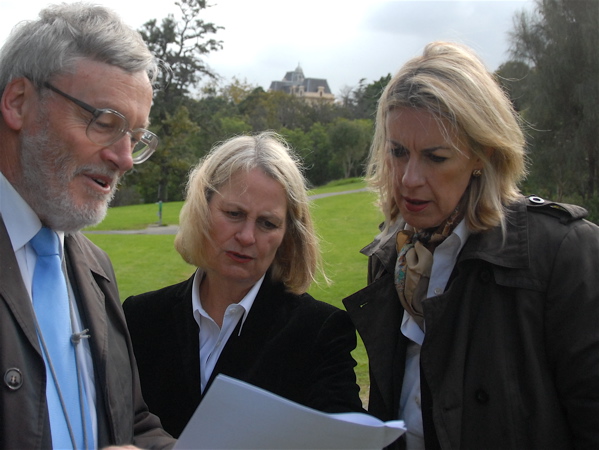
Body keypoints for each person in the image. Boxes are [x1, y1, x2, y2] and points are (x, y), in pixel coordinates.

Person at [343, 41, 599, 449]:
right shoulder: (391, 258)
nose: (409, 178)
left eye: (436, 157)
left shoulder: (564, 253)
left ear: (482, 153)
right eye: (397, 152)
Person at [0, 3, 176, 449]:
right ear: (18, 102)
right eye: (104, 122)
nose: (125, 159)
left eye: (135, 137)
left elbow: (131, 423)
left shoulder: (96, 269)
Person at [123, 132, 364, 438]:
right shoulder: (141, 317)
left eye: (267, 223)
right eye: (234, 214)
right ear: (202, 209)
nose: (247, 237)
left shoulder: (320, 331)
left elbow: (346, 439)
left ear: (287, 234)